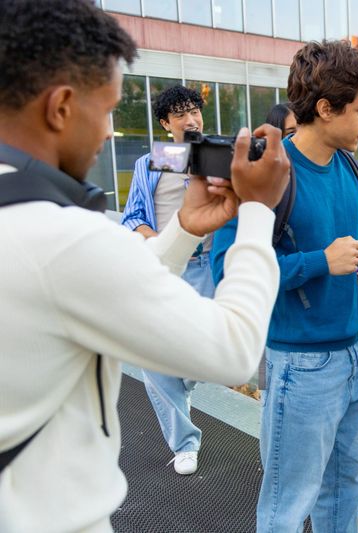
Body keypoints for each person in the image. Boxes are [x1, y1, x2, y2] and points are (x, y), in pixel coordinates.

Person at [0, 1, 290, 531]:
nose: (111, 133)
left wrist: (185, 226)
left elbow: (102, 273)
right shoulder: (62, 236)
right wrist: (256, 212)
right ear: (61, 106)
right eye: (108, 109)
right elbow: (232, 350)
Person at [210, 40, 358, 533]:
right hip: (299, 364)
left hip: (348, 357)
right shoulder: (267, 172)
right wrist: (320, 262)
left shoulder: (346, 166)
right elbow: (227, 272)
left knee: (345, 491)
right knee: (286, 504)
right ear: (325, 109)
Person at [121, 85, 212, 475]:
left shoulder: (216, 157)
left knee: (203, 357)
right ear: (165, 123)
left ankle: (184, 384)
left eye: (195, 111)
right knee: (153, 359)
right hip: (164, 269)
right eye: (180, 115)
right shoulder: (151, 163)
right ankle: (184, 441)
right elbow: (132, 217)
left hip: (210, 267)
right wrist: (161, 244)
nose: (190, 120)